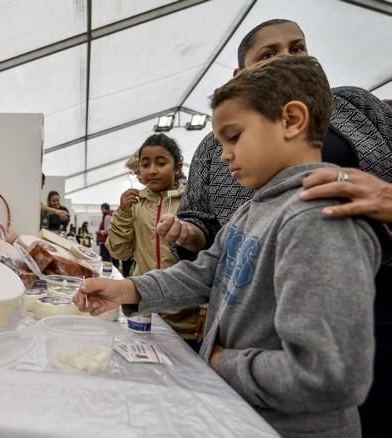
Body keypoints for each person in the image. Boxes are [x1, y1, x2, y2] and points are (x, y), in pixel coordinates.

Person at [75, 55, 380, 438]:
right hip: (243, 415)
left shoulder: (316, 221)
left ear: (292, 120)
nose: (223, 155)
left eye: (233, 137)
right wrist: (131, 289)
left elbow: (329, 376)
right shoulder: (254, 209)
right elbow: (207, 270)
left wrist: (223, 362)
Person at [164, 19, 392, 437]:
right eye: (268, 55)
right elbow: (207, 235)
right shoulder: (218, 151)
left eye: (297, 47)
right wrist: (191, 236)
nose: (288, 59)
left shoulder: (359, 107)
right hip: (267, 332)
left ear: (295, 121)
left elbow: (327, 376)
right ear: (242, 74)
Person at [105, 133, 204, 349]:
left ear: (177, 167)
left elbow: (207, 258)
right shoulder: (135, 204)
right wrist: (122, 212)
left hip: (186, 317)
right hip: (144, 313)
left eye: (161, 163)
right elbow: (120, 252)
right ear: (138, 170)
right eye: (145, 164)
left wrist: (205, 310)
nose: (152, 170)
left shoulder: (191, 202)